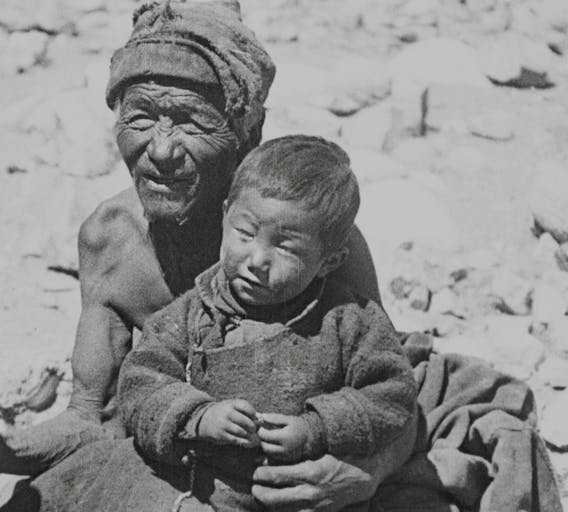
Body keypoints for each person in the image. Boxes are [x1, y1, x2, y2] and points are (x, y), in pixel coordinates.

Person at [0, 2, 561, 510]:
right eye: (140, 117)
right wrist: (0, 451)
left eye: (191, 123)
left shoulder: (314, 242)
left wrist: (360, 474)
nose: (162, 150)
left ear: (247, 131)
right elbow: (95, 419)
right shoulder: (111, 239)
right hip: (199, 454)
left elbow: (382, 392)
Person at [115, 135, 418, 511]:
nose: (257, 259)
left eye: (286, 247)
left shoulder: (348, 320)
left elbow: (392, 393)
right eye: (244, 233)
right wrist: (197, 417)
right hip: (206, 493)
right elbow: (139, 385)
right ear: (226, 215)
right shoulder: (192, 314)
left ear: (329, 261)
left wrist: (317, 428)